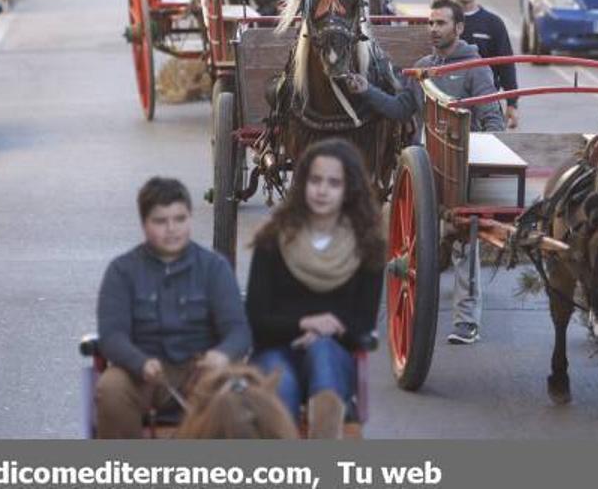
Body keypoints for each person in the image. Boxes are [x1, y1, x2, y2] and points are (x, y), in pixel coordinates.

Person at [344, 0, 503, 346]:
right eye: (430, 23)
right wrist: (366, 90)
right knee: (395, 235)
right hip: (424, 172)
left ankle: (466, 322)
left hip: (461, 170)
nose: (433, 29)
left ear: (458, 28)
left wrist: (483, 154)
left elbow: (493, 118)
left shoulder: (477, 68)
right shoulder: (423, 67)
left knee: (467, 240)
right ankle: (368, 314)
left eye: (441, 23)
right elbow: (402, 109)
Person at [245, 139, 385, 438]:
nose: (322, 190)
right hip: (275, 348)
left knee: (323, 354)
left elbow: (362, 325)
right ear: (303, 183)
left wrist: (329, 331)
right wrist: (304, 324)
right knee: (281, 384)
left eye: (334, 183)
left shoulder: (367, 247)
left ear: (349, 190)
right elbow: (257, 319)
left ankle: (325, 434)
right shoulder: (273, 239)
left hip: (333, 352)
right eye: (315, 180)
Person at [95, 177, 251, 439]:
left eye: (180, 219)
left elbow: (238, 331)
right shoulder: (122, 271)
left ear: (190, 218)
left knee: (239, 393)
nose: (172, 229)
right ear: (144, 224)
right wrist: (139, 362)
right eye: (160, 221)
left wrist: (222, 355)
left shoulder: (214, 268)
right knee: (111, 389)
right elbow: (112, 336)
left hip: (201, 371)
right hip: (143, 374)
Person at [450, 0, 519, 130]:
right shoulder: (441, 21)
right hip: (448, 100)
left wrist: (512, 103)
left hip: (485, 102)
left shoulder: (493, 24)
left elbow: (506, 64)